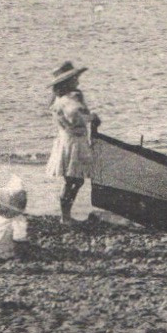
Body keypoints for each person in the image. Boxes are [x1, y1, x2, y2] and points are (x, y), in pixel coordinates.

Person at [45, 62, 100, 222]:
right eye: (75, 78)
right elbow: (75, 117)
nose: (78, 80)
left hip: (66, 141)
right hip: (74, 142)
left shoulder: (59, 99)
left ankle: (66, 215)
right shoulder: (70, 99)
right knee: (74, 180)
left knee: (73, 180)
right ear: (67, 82)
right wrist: (92, 118)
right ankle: (65, 216)